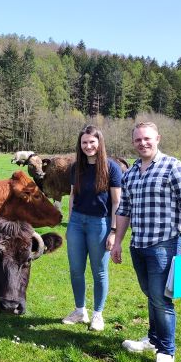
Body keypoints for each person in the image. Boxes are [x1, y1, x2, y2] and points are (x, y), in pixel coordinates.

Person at [110, 122, 181, 362]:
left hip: (165, 244)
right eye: (138, 140)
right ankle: (152, 338)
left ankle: (166, 353)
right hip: (138, 245)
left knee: (162, 299)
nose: (143, 143)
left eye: (147, 139)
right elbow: (124, 211)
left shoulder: (174, 168)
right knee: (151, 294)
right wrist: (117, 241)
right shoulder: (131, 173)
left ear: (158, 138)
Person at [63, 125, 123, 331]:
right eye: (84, 143)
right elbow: (72, 196)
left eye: (92, 142)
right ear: (80, 145)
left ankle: (98, 314)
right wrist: (71, 223)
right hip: (77, 223)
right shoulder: (75, 168)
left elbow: (117, 202)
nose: (88, 146)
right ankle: (80, 311)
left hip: (101, 224)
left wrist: (114, 231)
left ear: (99, 143)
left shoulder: (111, 168)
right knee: (76, 270)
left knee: (99, 272)